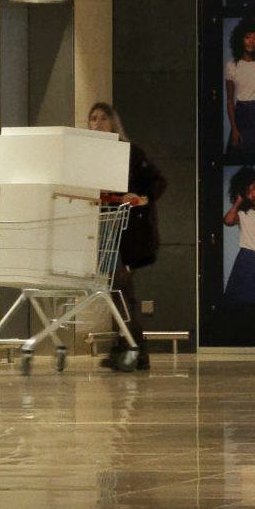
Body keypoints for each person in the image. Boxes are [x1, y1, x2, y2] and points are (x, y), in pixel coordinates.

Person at [80, 96, 156, 367]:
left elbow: (156, 183)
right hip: (105, 229)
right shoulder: (89, 157)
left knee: (122, 289)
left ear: (113, 123)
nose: (97, 123)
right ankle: (124, 346)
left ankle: (135, 349)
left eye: (102, 118)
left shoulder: (129, 152)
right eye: (93, 118)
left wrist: (137, 197)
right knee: (115, 290)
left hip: (129, 231)